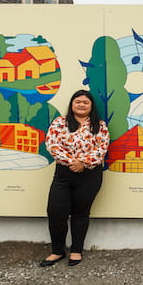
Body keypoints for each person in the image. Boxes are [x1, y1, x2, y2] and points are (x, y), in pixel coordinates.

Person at [41, 90, 110, 267]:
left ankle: (76, 250)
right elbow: (52, 144)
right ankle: (57, 251)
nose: (81, 105)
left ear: (91, 106)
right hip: (64, 174)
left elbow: (102, 148)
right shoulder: (59, 123)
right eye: (77, 101)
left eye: (85, 102)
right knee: (56, 212)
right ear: (72, 104)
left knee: (81, 213)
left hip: (90, 175)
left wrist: (84, 163)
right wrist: (73, 162)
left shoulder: (99, 125)